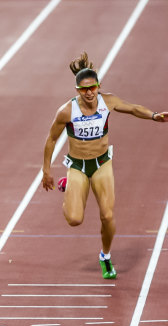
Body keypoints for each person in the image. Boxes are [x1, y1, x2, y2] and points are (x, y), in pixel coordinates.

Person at [42, 52, 167, 279]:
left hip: (102, 165)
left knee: (107, 216)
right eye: (83, 90)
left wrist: (154, 116)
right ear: (77, 90)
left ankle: (105, 257)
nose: (89, 93)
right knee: (74, 219)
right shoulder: (66, 111)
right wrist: (46, 171)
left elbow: (132, 108)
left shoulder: (107, 101)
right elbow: (51, 139)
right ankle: (68, 184)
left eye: (93, 88)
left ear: (99, 86)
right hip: (78, 166)